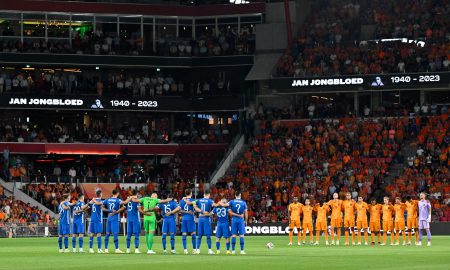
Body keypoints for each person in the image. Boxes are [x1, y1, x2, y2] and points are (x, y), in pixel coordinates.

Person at [193, 190, 224, 255]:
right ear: (209, 195)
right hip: (206, 218)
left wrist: (201, 211)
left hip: (200, 218)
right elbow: (215, 205)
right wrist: (219, 203)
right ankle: (209, 250)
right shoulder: (210, 200)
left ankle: (197, 250)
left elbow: (194, 206)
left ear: (204, 194)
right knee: (208, 235)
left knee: (199, 235)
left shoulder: (199, 200)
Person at [101, 189, 131, 253]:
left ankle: (106, 249)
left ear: (112, 193)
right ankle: (116, 249)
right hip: (115, 218)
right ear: (117, 193)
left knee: (107, 233)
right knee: (115, 233)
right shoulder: (118, 200)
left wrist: (109, 211)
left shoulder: (107, 199)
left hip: (109, 218)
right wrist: (130, 198)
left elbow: (102, 207)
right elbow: (125, 202)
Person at [177, 189, 197, 254]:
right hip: (191, 218)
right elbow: (196, 209)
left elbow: (179, 210)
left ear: (185, 194)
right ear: (191, 193)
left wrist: (185, 212)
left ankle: (185, 250)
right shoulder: (193, 200)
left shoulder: (181, 201)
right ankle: (194, 250)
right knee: (193, 233)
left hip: (184, 218)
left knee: (184, 234)